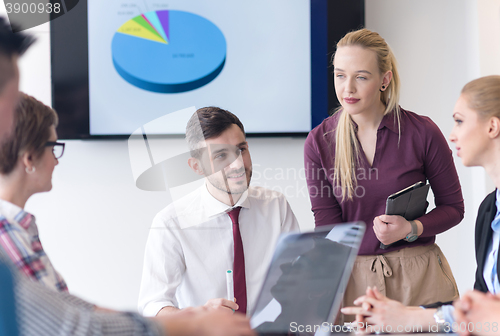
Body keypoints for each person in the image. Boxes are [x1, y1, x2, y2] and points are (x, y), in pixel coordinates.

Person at [0, 16, 255, 336]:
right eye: (9, 106)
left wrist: (192, 319)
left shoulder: (23, 231)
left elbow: (72, 309)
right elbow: (73, 326)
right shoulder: (7, 238)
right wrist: (196, 323)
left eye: (241, 149)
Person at [304, 28, 464, 320]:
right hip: (353, 282)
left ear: (384, 80)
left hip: (421, 278)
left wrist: (410, 229)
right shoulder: (319, 141)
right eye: (340, 75)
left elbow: (453, 208)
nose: (347, 88)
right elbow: (327, 226)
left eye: (361, 77)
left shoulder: (422, 132)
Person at [341, 75, 500, 336]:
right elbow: (476, 315)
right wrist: (398, 315)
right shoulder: (488, 211)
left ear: (492, 127)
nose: (452, 134)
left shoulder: (420, 131)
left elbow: (486, 318)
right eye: (339, 75)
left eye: (459, 121)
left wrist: (408, 318)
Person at [138, 106, 300, 316]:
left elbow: (300, 278)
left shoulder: (276, 205)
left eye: (241, 150)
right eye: (221, 156)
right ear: (197, 167)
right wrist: (198, 316)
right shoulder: (171, 223)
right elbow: (153, 306)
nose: (238, 165)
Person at [0, 92, 68, 291]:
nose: (56, 161)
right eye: (53, 148)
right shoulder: (8, 233)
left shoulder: (20, 227)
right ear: (29, 158)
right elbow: (59, 319)